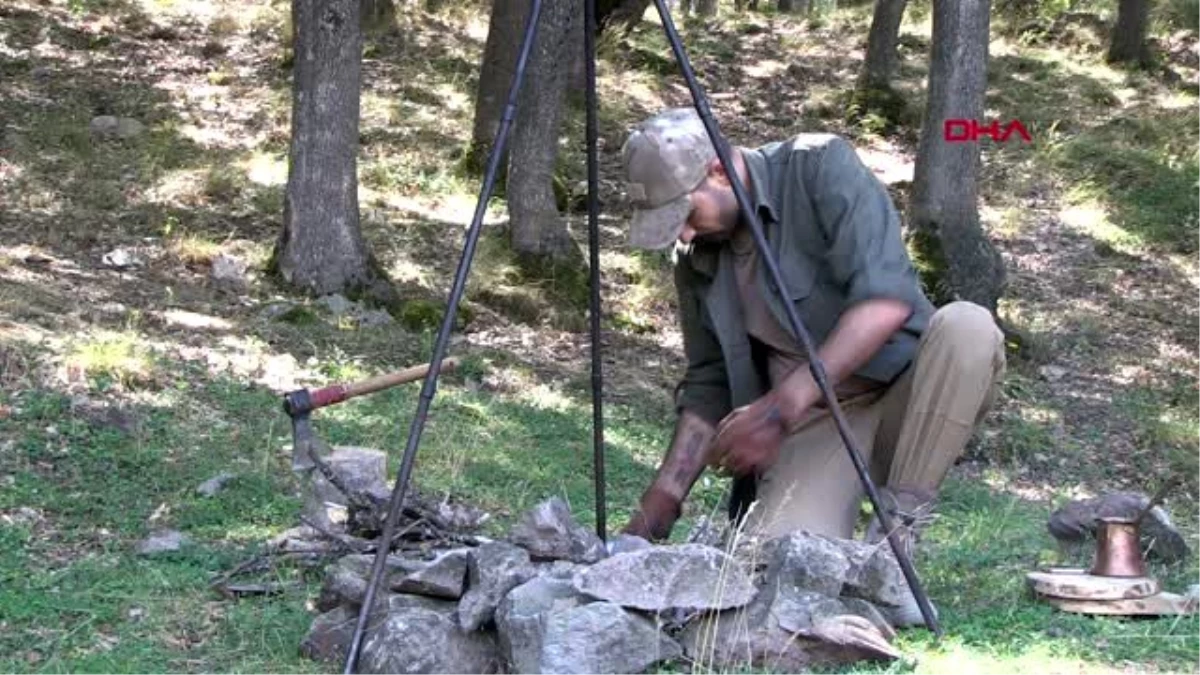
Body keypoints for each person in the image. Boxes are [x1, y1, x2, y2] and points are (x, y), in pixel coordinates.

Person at [618, 107, 1007, 565]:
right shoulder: (697, 256)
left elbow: (884, 302)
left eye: (685, 213)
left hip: (908, 398)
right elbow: (710, 381)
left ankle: (895, 546)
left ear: (719, 172)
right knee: (774, 568)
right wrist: (659, 506)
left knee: (968, 327)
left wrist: (777, 410)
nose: (682, 232)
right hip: (814, 427)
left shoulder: (818, 165)